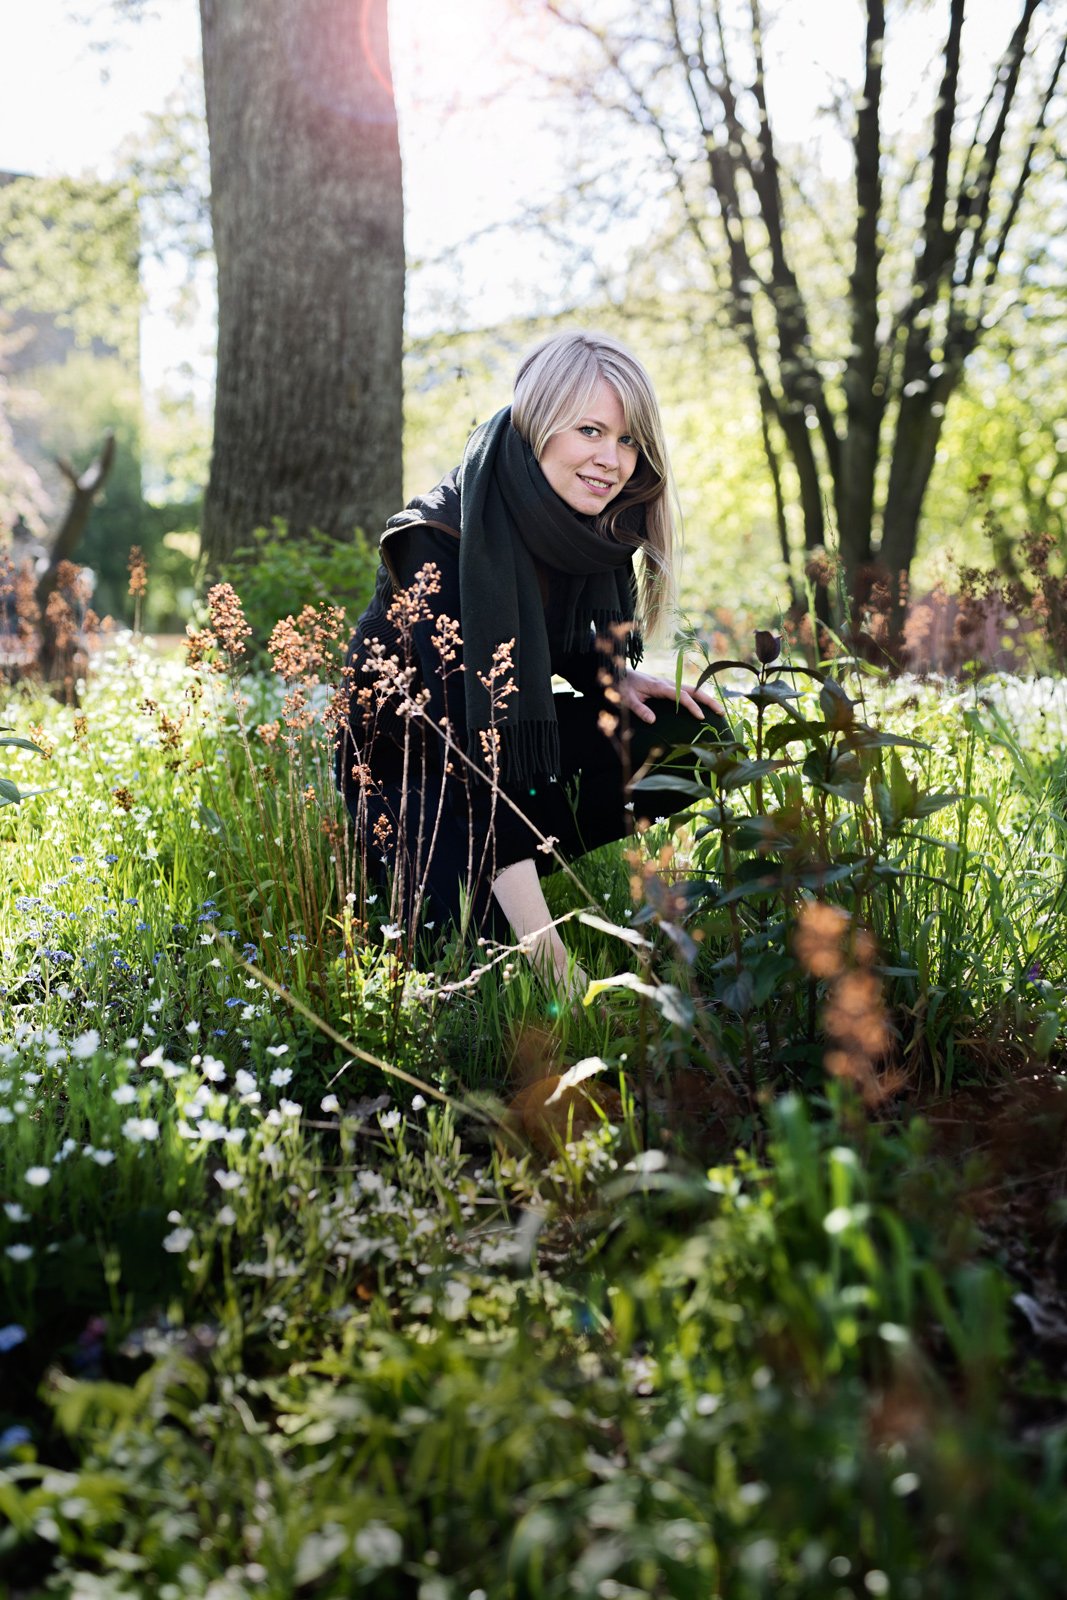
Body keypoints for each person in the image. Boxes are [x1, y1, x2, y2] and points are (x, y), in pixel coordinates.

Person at [335, 330, 726, 993]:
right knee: (461, 960)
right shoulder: (436, 542)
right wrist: (555, 967)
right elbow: (468, 763)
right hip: (418, 792)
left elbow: (558, 635)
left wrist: (612, 676)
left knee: (691, 737)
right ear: (539, 423)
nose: (611, 459)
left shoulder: (574, 520)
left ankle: (518, 878)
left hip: (505, 754)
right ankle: (462, 895)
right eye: (590, 430)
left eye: (628, 440)